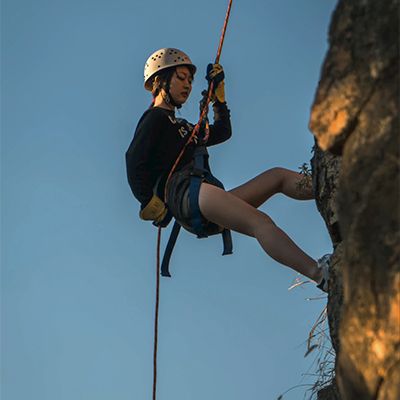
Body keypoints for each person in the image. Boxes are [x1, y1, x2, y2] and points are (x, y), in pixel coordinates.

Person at [125, 48, 330, 292]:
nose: (187, 85)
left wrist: (219, 100)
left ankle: (332, 186)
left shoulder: (183, 127)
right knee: (260, 222)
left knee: (277, 177)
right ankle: (322, 275)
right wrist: (148, 201)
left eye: (190, 80)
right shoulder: (155, 118)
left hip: (201, 195)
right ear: (160, 81)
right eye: (181, 77)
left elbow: (222, 131)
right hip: (186, 193)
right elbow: (134, 160)